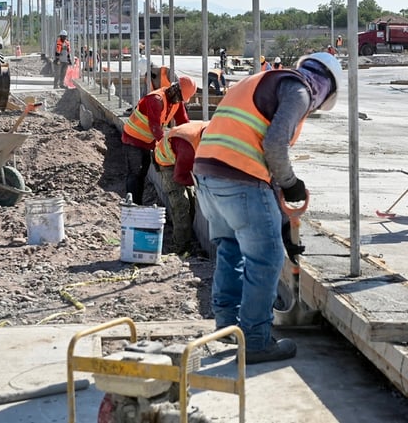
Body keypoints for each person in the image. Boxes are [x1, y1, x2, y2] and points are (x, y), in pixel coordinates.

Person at [193, 51, 342, 364]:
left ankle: (228, 326)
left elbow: (254, 144)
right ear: (325, 87)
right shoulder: (300, 90)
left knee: (231, 248)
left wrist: (282, 221)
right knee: (266, 258)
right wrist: (291, 182)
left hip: (207, 175)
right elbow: (273, 145)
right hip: (240, 179)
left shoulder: (258, 81)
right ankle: (257, 341)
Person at [121, 75, 197, 205]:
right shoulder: (156, 99)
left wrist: (190, 142)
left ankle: (137, 204)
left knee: (143, 172)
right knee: (135, 173)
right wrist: (165, 148)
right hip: (133, 139)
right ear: (175, 89)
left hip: (147, 142)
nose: (180, 101)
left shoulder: (176, 102)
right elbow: (155, 127)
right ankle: (132, 205)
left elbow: (183, 123)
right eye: (180, 97)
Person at [153, 120, 209, 255]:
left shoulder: (213, 129)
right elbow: (180, 177)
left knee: (192, 200)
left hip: (182, 158)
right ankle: (179, 247)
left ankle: (187, 238)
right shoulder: (187, 146)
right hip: (167, 163)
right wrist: (202, 183)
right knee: (181, 204)